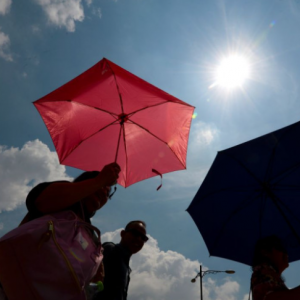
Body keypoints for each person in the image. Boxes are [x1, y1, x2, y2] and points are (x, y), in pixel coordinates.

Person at [93, 220, 148, 300]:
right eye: (135, 233)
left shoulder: (126, 268)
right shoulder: (110, 249)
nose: (139, 239)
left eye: (143, 238)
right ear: (123, 234)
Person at [251, 235, 300, 300]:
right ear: (264, 252)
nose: (285, 252)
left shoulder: (272, 276)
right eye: (279, 248)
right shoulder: (262, 271)